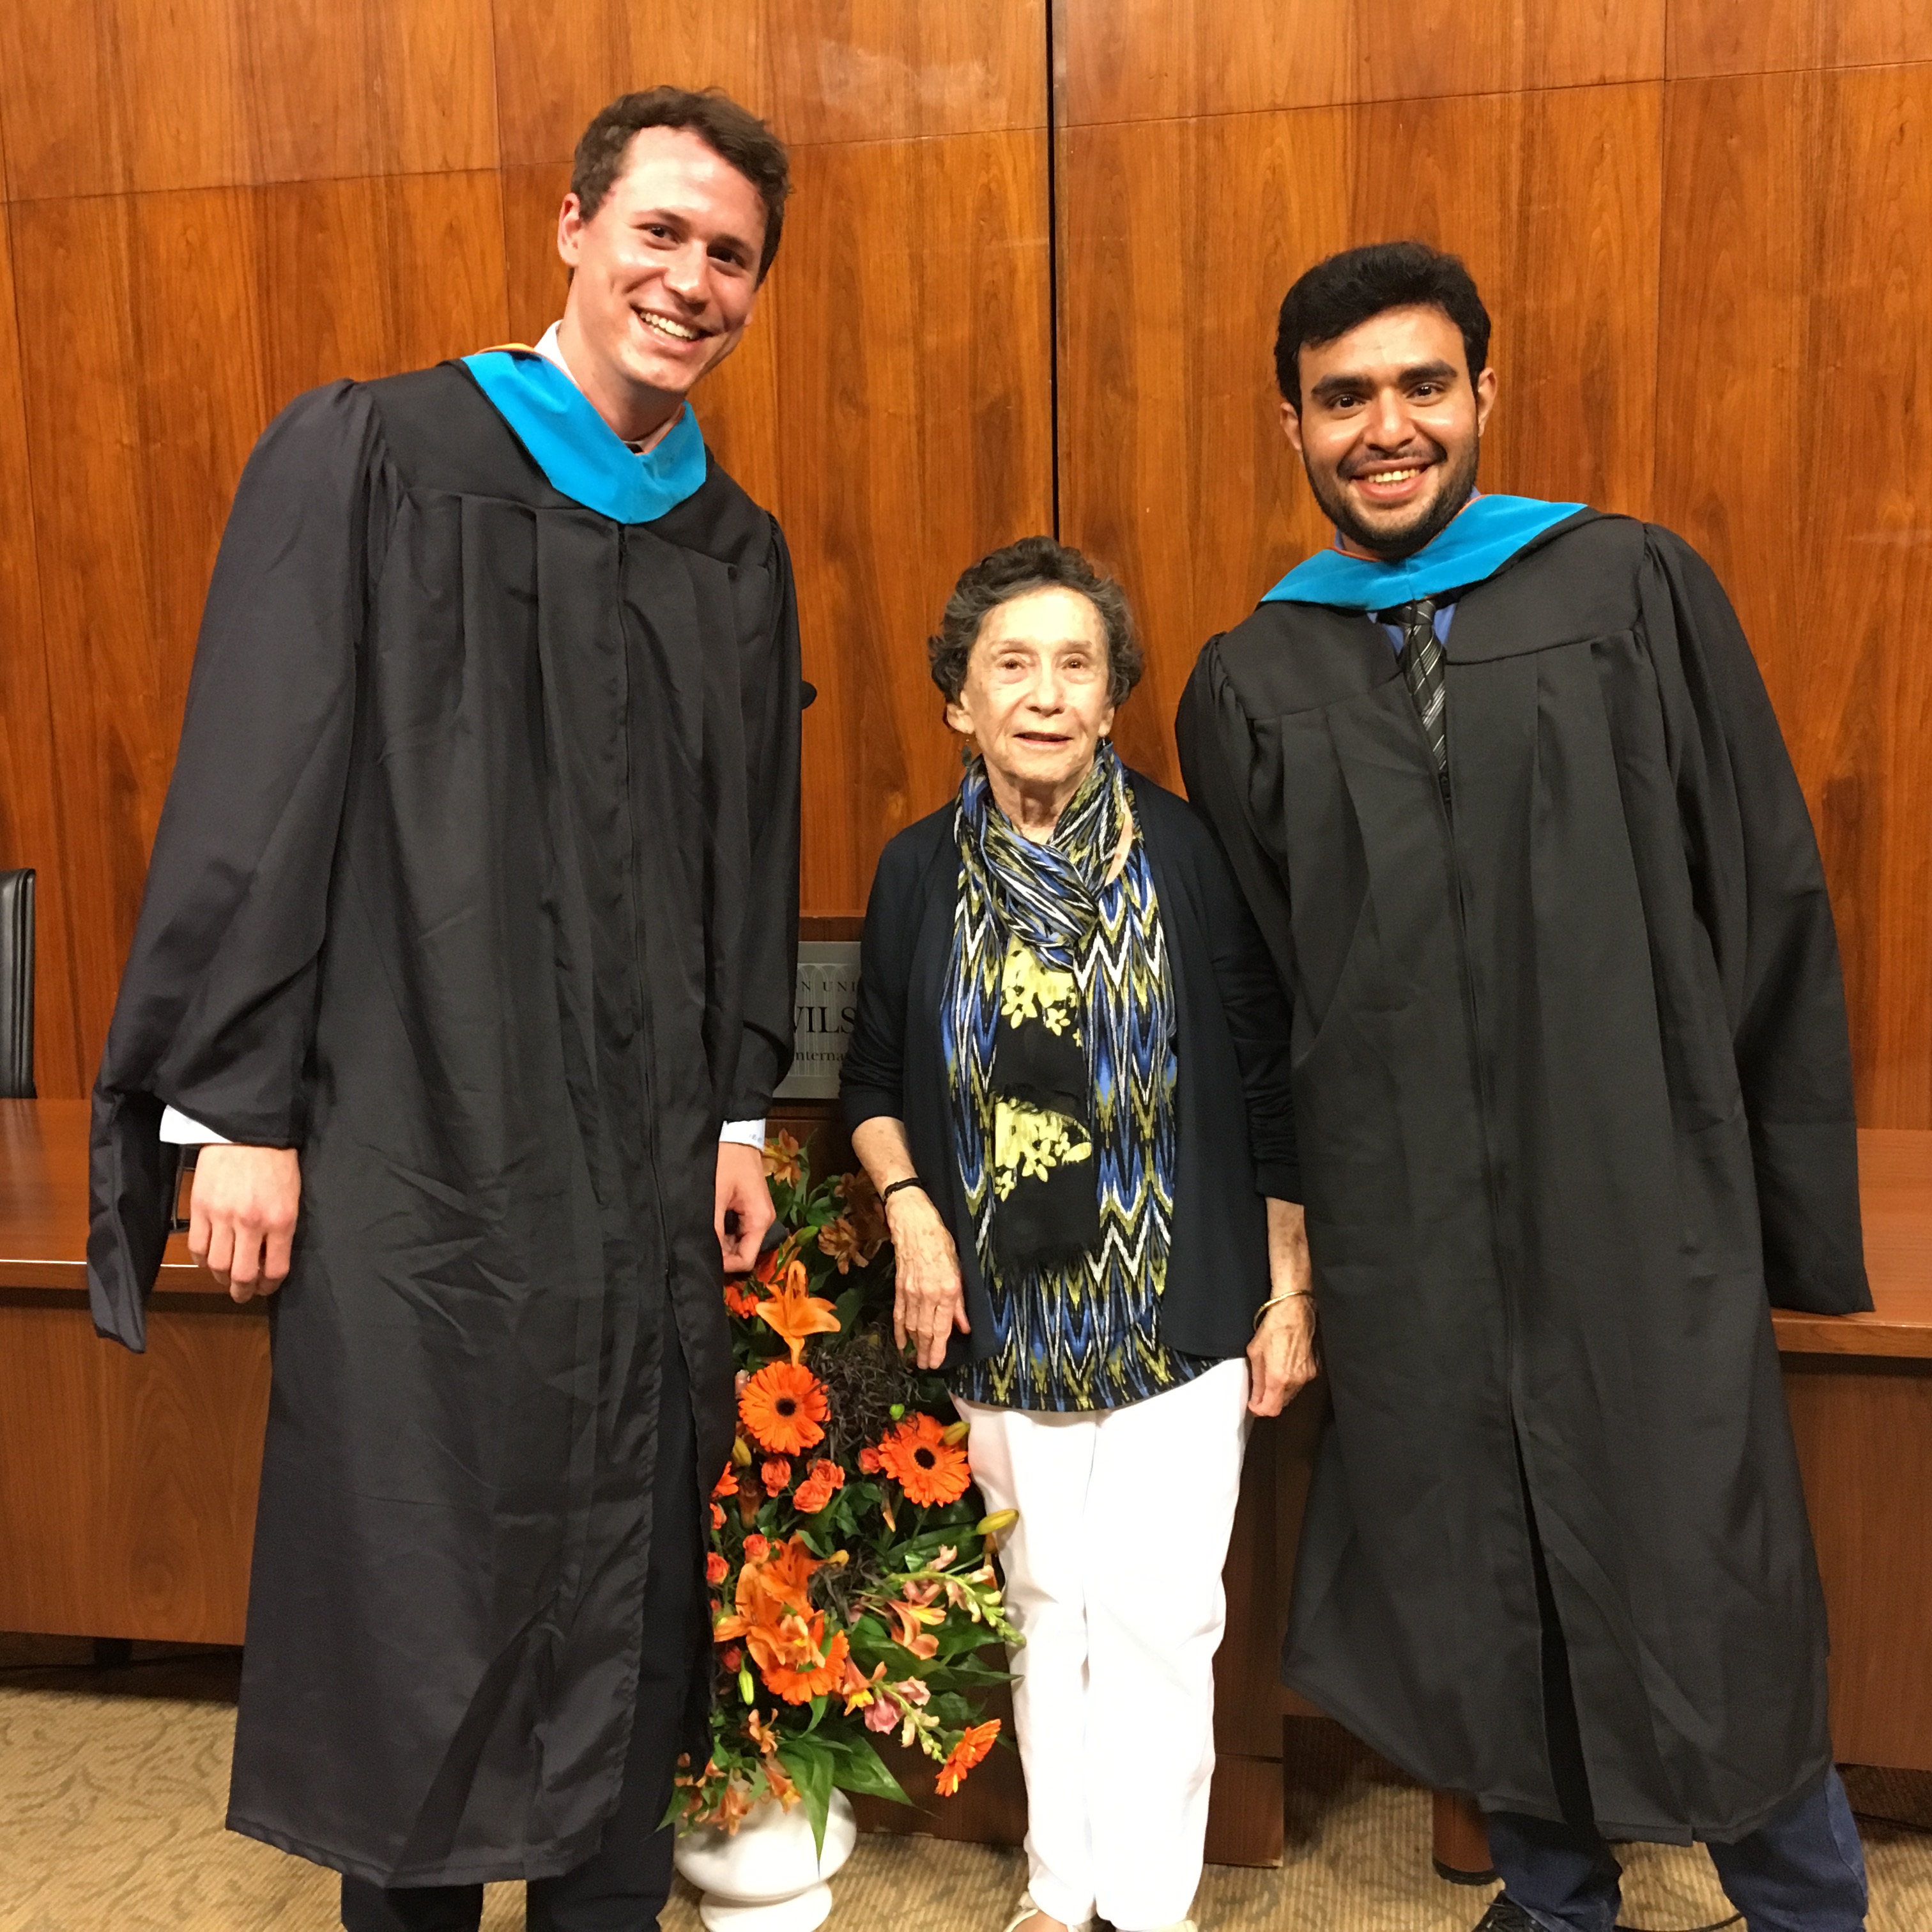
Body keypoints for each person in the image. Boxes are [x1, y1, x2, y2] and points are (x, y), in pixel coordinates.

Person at [86, 88, 802, 1932]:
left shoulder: (733, 545)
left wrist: (735, 1109)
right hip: (424, 1124)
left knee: (631, 1577)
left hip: (642, 1154)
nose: (690, 279)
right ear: (569, 227)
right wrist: (241, 1108)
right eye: (659, 232)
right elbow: (264, 777)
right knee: (421, 1572)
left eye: (728, 256)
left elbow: (747, 848)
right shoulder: (381, 451)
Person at [1176, 240, 1873, 1932]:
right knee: (1470, 1572)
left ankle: (1807, 1901)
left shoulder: (1630, 588)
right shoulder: (1254, 677)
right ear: (1292, 425)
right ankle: (1555, 1899)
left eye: (1424, 385)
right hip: (1406, 1212)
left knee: (1698, 1559)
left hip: (1638, 1181)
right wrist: (1298, 1237)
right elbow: (1264, 986)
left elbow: (1762, 891)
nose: (1388, 426)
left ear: (1489, 391)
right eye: (1345, 398)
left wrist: (1772, 1205)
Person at [839, 537, 1312, 1932]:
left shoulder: (1191, 854)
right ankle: (1062, 1890)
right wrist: (913, 1213)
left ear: (1113, 701)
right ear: (959, 703)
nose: (1044, 695)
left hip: (1183, 1300)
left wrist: (1292, 1289)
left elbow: (1271, 1083)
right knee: (1044, 1607)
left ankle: (1150, 1907)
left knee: (1163, 1617)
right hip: (1000, 1307)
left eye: (1076, 666)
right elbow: (871, 1083)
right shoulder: (918, 871)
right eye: (1011, 665)